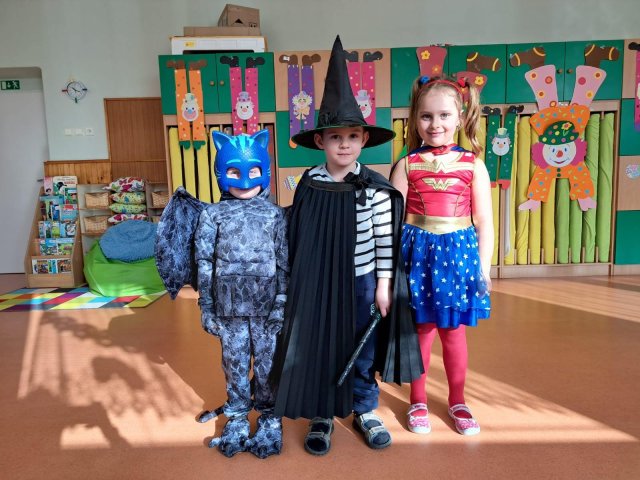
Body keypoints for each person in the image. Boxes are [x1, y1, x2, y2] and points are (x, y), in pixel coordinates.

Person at [270, 35, 423, 456]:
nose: (344, 144)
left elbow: (384, 239)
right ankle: (322, 413)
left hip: (362, 282)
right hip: (319, 285)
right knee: (320, 346)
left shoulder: (373, 188)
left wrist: (384, 285)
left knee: (362, 348)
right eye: (335, 136)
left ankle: (364, 408)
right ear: (320, 140)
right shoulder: (310, 184)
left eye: (352, 136)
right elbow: (298, 236)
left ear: (363, 140)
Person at [155, 129, 288, 459]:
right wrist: (207, 305)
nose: (244, 180)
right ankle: (238, 416)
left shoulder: (276, 214)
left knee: (269, 364)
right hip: (228, 308)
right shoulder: (210, 214)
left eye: (253, 170)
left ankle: (270, 418)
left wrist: (281, 302)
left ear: (265, 171)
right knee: (234, 364)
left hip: (267, 306)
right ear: (220, 172)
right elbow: (204, 261)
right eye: (234, 171)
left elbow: (284, 261)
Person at [390, 75, 493, 436]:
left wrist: (484, 268)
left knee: (453, 332)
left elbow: (484, 221)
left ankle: (458, 401)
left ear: (461, 117)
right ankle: (417, 400)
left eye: (444, 115)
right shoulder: (406, 165)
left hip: (457, 257)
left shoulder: (474, 165)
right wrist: (389, 273)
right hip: (416, 257)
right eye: (426, 116)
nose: (435, 124)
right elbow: (392, 222)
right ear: (415, 119)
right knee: (421, 331)